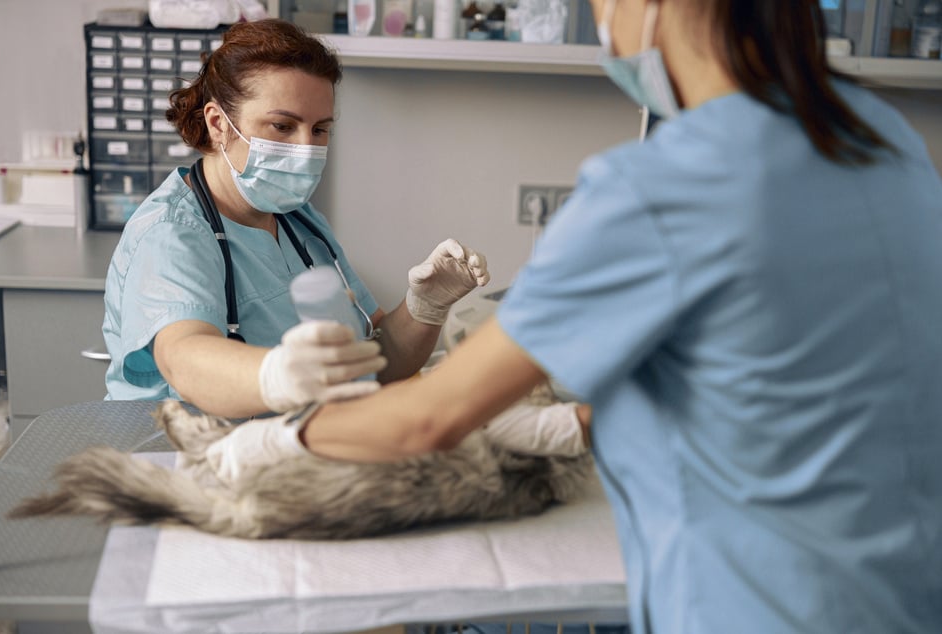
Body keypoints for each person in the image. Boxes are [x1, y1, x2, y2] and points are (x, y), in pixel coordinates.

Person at [231, 1, 942, 632]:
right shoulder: (881, 139)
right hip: (903, 590)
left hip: (758, 604)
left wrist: (271, 442)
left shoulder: (666, 184)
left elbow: (429, 420)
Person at [102, 19, 489, 418]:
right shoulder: (171, 234)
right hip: (184, 459)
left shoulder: (299, 222)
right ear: (219, 124)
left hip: (292, 454)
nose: (306, 148)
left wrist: (425, 307)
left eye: (320, 129)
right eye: (283, 126)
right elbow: (183, 358)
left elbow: (374, 363)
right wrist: (280, 377)